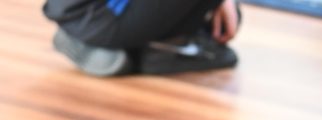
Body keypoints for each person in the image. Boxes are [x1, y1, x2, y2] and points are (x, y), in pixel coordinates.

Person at [43, 0, 239, 78]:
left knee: (225, 17)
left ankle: (152, 47)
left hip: (73, 13)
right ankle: (146, 54)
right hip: (102, 15)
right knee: (219, 25)